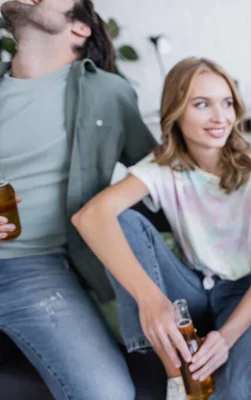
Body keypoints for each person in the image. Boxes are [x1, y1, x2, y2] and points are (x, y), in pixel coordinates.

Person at [72, 57, 251, 400]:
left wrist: (225, 339)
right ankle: (173, 371)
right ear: (176, 113)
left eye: (227, 103)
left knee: (241, 389)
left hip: (245, 290)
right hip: (191, 288)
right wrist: (152, 302)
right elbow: (89, 217)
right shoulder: (163, 168)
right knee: (121, 220)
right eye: (202, 104)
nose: (220, 117)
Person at [0, 1, 156, 399]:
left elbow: (165, 178)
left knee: (108, 395)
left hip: (34, 271)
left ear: (80, 28)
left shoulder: (108, 94)